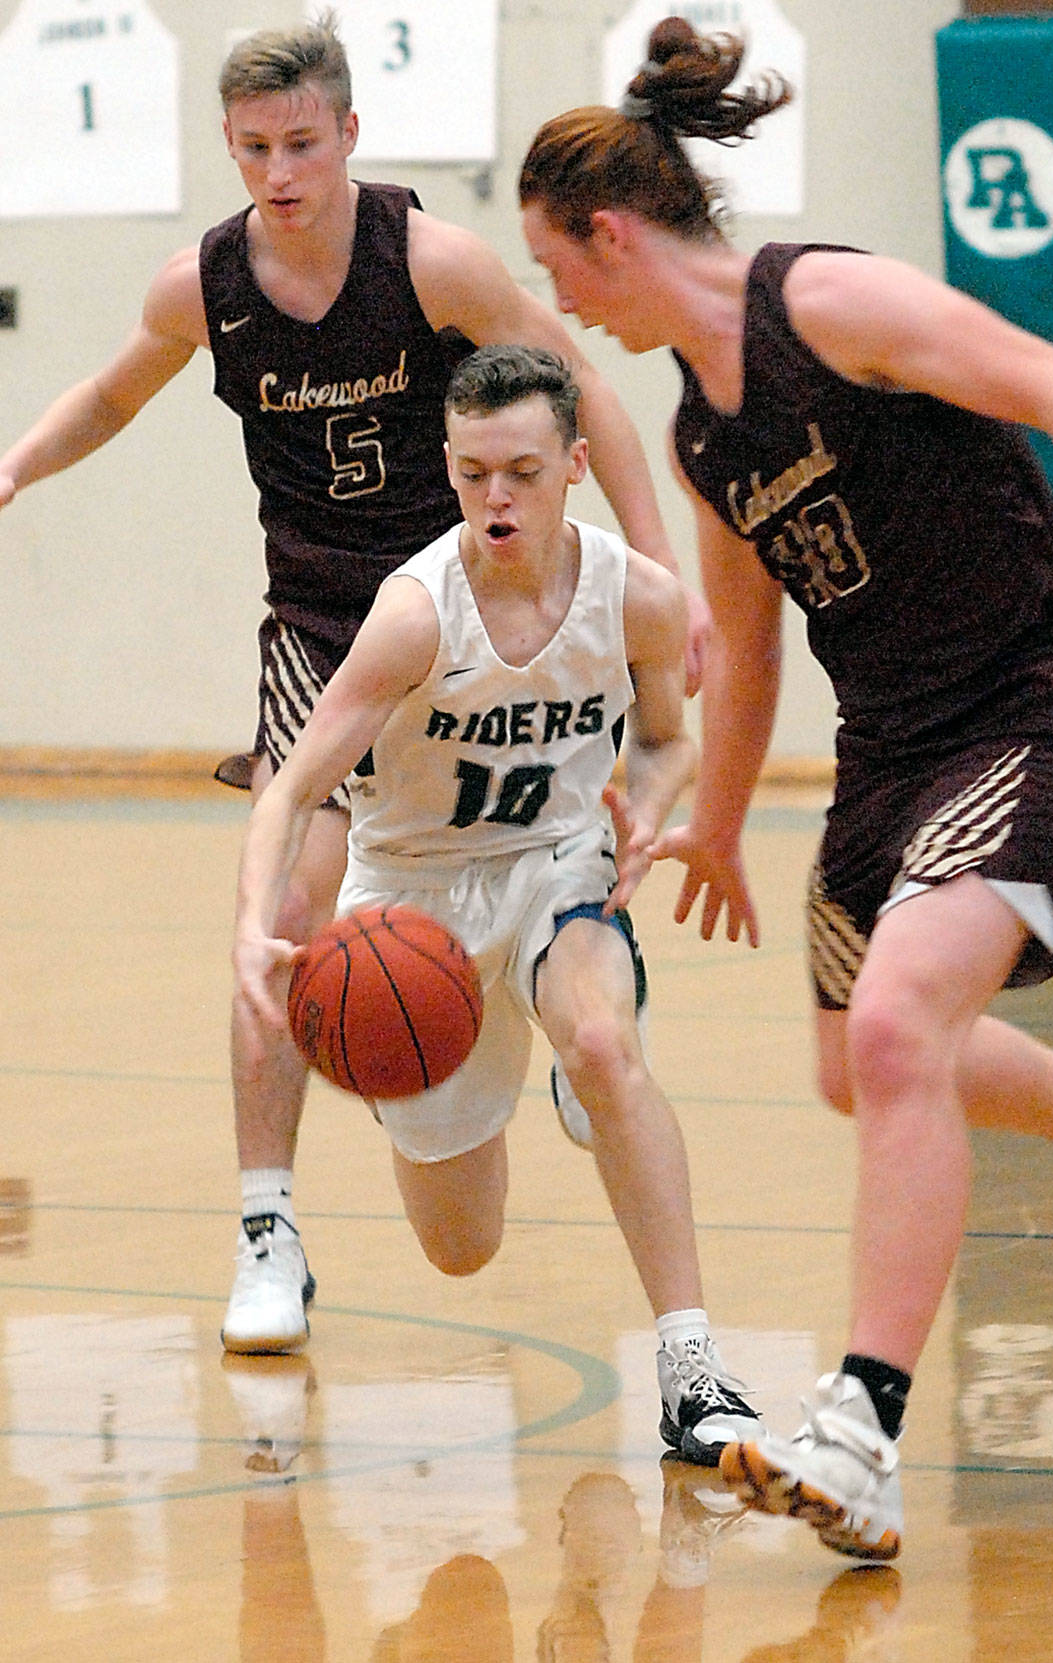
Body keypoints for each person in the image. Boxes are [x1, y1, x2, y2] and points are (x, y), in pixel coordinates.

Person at [516, 16, 1053, 1558]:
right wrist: (713, 813)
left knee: (906, 1029)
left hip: (1023, 709)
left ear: (614, 232)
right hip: (887, 756)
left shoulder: (828, 301)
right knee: (862, 1068)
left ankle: (861, 1428)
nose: (555, 300)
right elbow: (754, 636)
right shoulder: (707, 431)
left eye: (557, 267)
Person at [0, 13, 709, 1357]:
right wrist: (21, 461)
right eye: (257, 149)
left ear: (350, 136)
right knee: (284, 908)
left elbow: (585, 400)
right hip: (328, 627)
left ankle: (588, 1002)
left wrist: (655, 573)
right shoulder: (200, 285)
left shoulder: (429, 259)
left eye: (304, 144)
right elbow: (112, 391)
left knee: (562, 826)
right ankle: (266, 1224)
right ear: (231, 147)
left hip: (478, 601)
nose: (281, 172)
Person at [232, 342, 761, 1467]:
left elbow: (667, 740)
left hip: (557, 868)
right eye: (471, 474)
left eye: (519, 470)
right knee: (461, 1251)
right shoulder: (416, 613)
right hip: (413, 908)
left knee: (607, 1046)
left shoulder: (639, 598)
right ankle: (492, 1073)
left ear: (575, 463)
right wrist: (252, 928)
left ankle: (691, 1370)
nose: (495, 498)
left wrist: (645, 813)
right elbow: (290, 785)